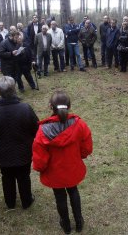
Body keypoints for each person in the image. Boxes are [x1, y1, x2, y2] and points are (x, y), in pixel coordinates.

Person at [33, 91, 93, 233]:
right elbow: (87, 147)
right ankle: (79, 222)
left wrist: (40, 168)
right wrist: (79, 156)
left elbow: (39, 157)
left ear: (50, 106)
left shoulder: (42, 130)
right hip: (72, 167)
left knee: (59, 196)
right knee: (73, 191)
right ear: (69, 106)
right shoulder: (80, 124)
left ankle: (65, 225)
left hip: (55, 173)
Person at [0, 76, 38, 209]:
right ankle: (26, 201)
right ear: (14, 89)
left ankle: (10, 202)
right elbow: (36, 129)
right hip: (23, 151)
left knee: (7, 177)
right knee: (24, 176)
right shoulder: (25, 108)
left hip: (1, 153)